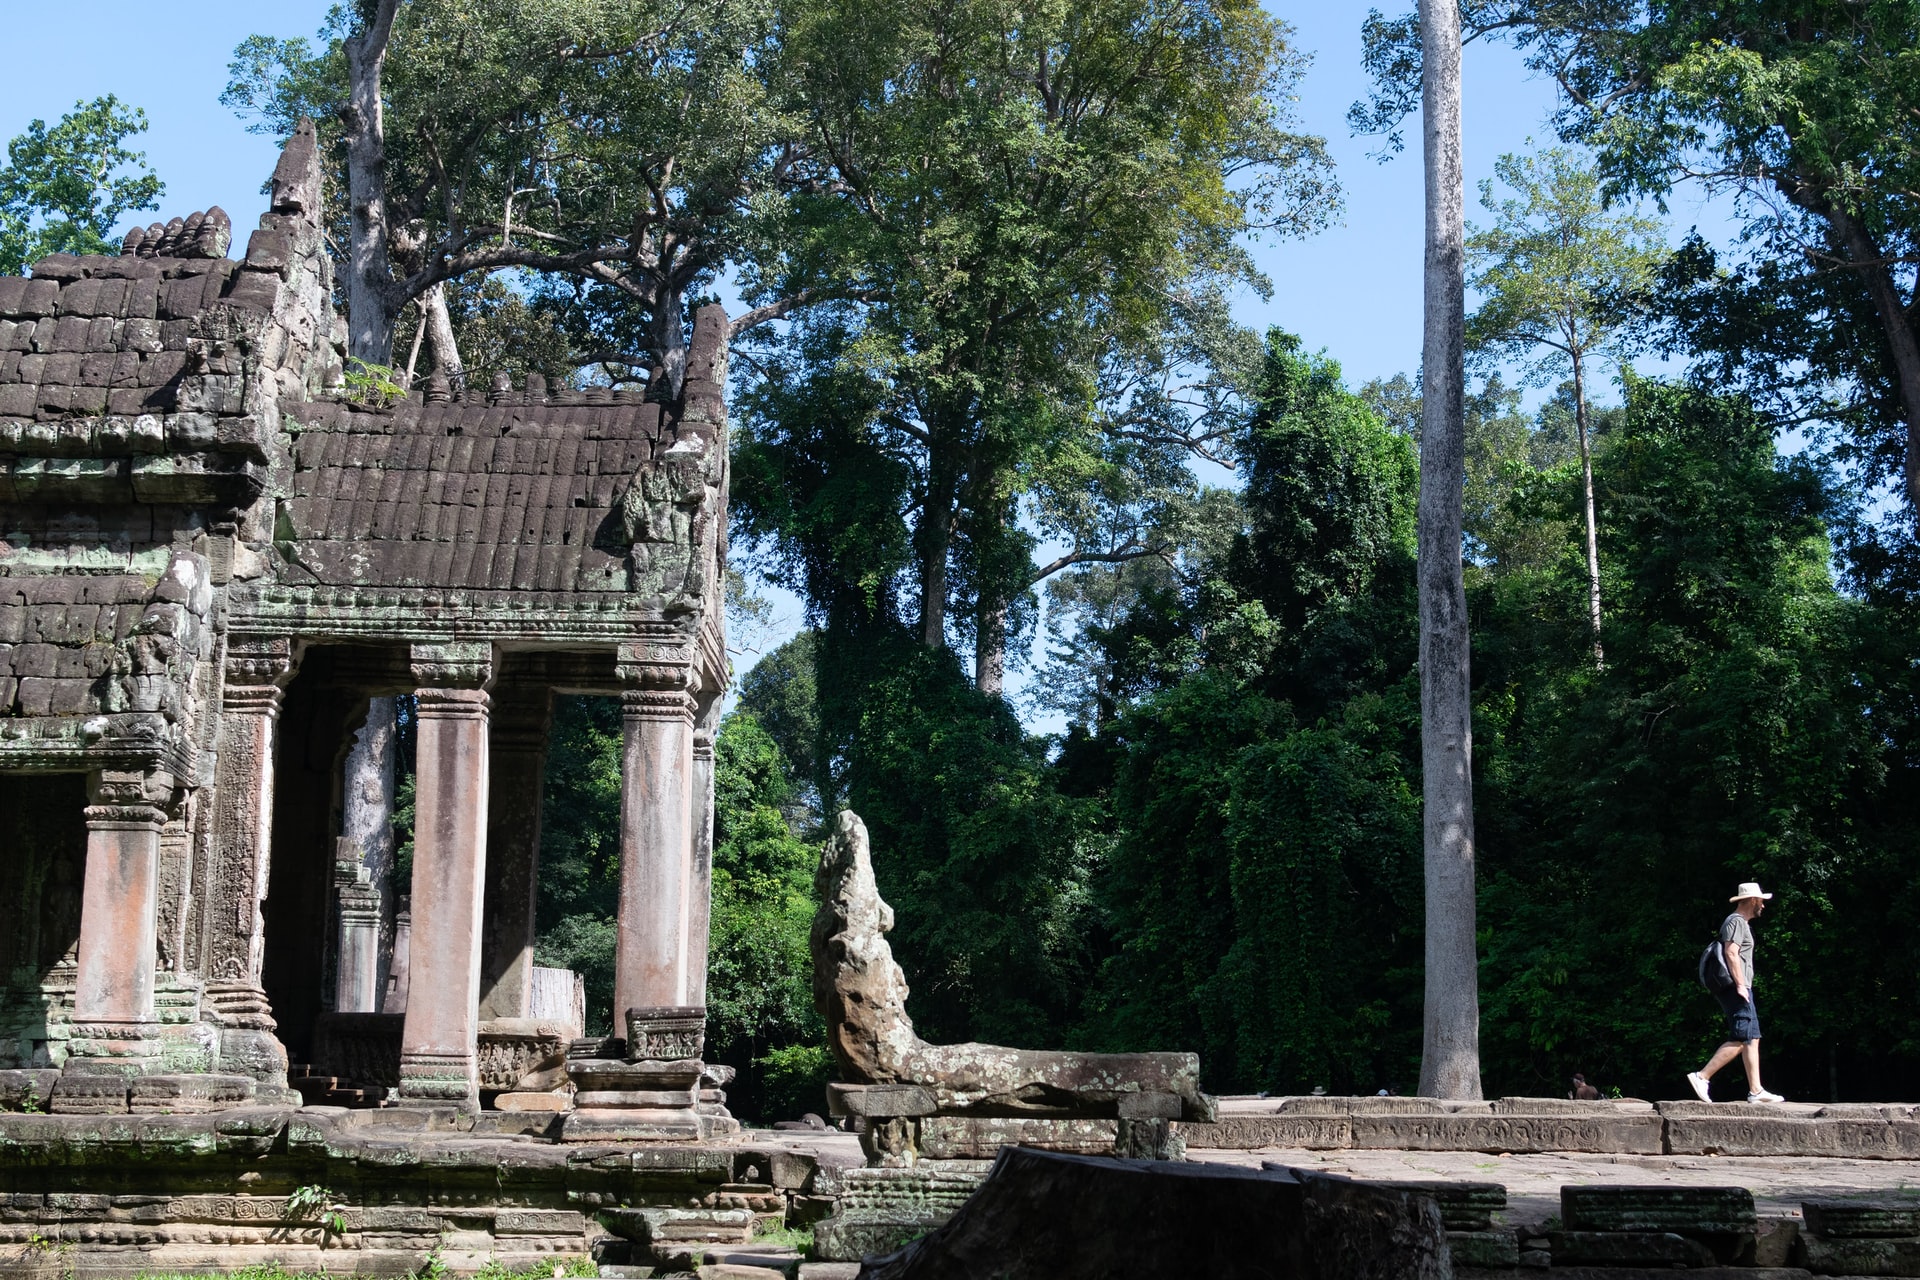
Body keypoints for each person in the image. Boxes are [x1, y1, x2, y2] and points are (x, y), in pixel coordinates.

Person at [1687, 882, 1784, 1103]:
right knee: (1741, 1037)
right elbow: (1731, 953)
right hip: (1736, 988)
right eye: (1761, 901)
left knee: (1753, 1037)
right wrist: (1740, 985)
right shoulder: (1736, 922)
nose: (1763, 905)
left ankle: (1756, 1090)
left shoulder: (1740, 923)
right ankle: (1702, 1076)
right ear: (1752, 900)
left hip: (1741, 988)